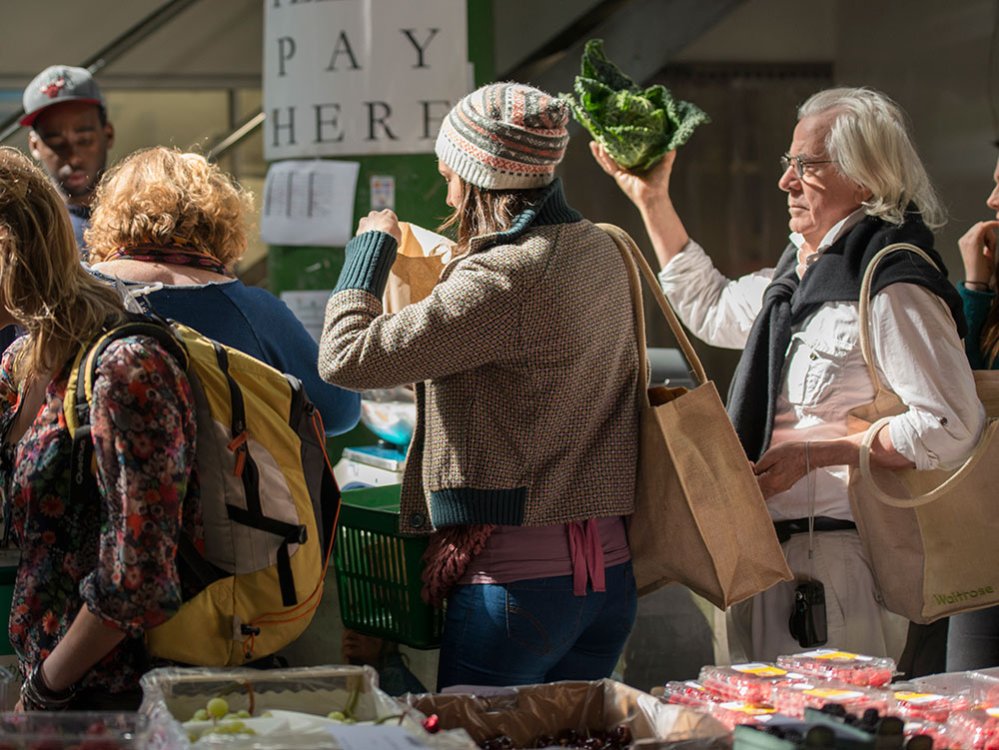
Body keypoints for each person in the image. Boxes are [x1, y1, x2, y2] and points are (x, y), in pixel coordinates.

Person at [592, 86, 985, 664]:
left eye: (808, 165)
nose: (787, 181)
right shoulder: (800, 270)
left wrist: (821, 454)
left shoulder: (890, 283)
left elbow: (953, 426)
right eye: (788, 162)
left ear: (866, 177)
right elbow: (712, 307)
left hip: (834, 569)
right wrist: (653, 200)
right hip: (763, 557)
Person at [318, 82, 640, 689]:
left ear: (474, 176)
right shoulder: (598, 248)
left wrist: (368, 252)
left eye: (448, 175)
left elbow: (345, 357)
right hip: (610, 577)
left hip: (519, 586)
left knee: (466, 734)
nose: (446, 192)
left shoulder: (505, 275)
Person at [0, 147, 197, 710]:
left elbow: (139, 579)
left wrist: (44, 691)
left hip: (122, 702)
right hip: (54, 682)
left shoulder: (126, 368)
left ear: (8, 255)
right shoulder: (21, 363)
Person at [84, 146, 360, 436]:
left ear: (108, 218)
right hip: (222, 479)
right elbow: (338, 412)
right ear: (219, 222)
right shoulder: (255, 311)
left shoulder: (73, 293)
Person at [947, 154, 999, 671]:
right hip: (984, 538)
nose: (992, 202)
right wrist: (977, 287)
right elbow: (960, 389)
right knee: (969, 704)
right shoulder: (990, 296)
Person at [20, 65, 113, 256]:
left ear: (108, 134)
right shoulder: (26, 231)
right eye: (56, 143)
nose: (73, 157)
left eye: (84, 140)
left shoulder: (144, 221)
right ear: (35, 146)